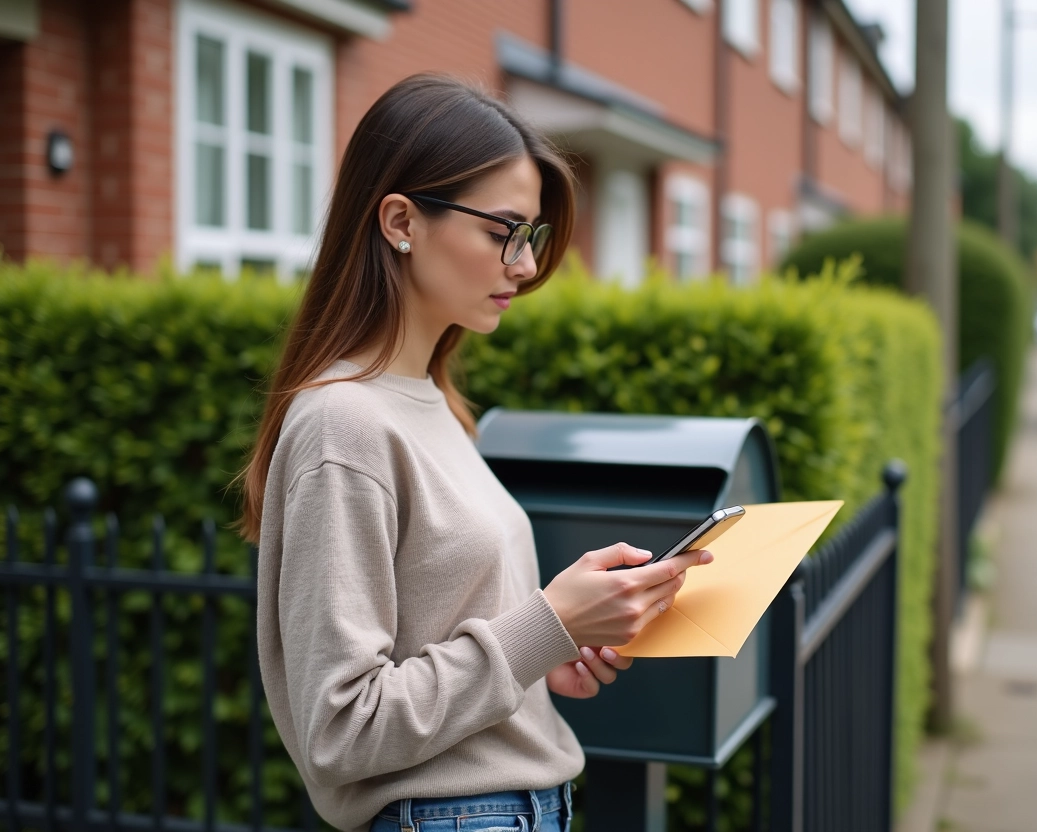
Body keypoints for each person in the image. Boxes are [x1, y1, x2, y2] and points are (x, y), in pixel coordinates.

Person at [235, 73, 712, 832]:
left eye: (533, 239)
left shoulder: (437, 407)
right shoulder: (342, 423)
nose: (524, 268)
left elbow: (447, 634)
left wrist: (547, 657)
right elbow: (343, 728)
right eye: (503, 232)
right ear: (400, 220)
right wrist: (547, 623)